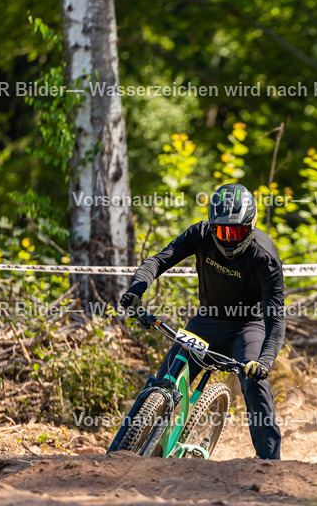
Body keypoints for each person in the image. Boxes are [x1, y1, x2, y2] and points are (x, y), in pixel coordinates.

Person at [120, 183, 284, 459]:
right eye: (222, 231)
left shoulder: (264, 257)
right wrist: (136, 289)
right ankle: (131, 447)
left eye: (237, 232)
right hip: (206, 321)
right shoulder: (200, 234)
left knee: (254, 384)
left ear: (251, 225)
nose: (229, 239)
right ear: (211, 226)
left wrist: (265, 362)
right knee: (164, 381)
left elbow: (276, 320)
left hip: (247, 327)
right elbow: (158, 262)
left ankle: (270, 462)